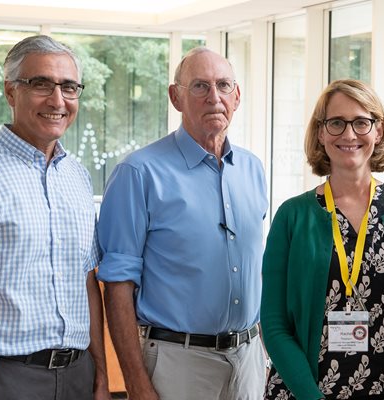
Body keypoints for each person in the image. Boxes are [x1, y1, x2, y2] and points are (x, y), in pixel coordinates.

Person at [97, 47, 268, 400]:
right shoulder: (138, 173)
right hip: (178, 363)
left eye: (223, 85)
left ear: (237, 96)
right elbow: (117, 288)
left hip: (249, 359)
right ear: (176, 97)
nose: (214, 97)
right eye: (200, 86)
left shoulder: (253, 169)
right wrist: (137, 383)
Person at [260, 79, 384, 400]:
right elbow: (274, 323)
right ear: (320, 132)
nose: (349, 134)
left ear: (379, 130)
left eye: (361, 122)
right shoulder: (292, 216)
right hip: (303, 393)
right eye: (336, 123)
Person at [0, 35, 109, 400]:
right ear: (11, 92)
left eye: (69, 87)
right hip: (2, 379)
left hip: (77, 376)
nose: (57, 100)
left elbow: (88, 283)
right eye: (41, 84)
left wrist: (101, 376)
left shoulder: (77, 176)